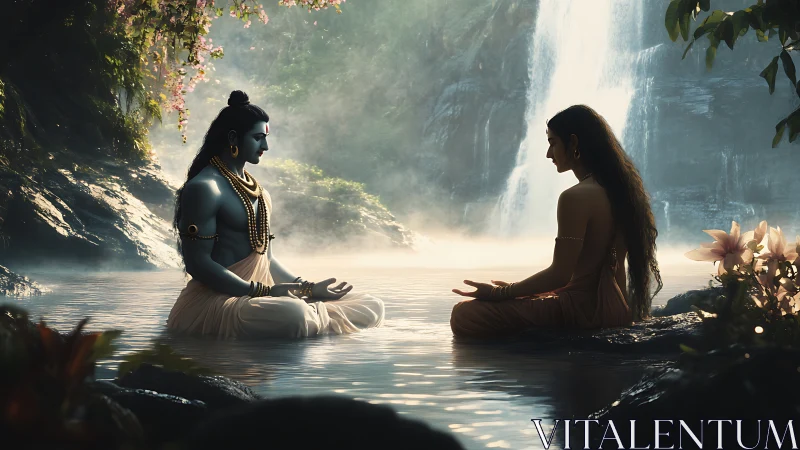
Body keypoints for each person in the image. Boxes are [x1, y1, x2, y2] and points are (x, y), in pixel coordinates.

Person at [167, 90, 384, 339]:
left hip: (263, 298)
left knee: (372, 305)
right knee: (296, 315)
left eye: (266, 138)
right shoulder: (205, 188)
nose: (265, 147)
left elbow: (267, 260)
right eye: (258, 138)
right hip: (219, 301)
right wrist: (265, 292)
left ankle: (311, 320)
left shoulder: (260, 192)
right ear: (233, 138)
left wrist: (309, 289)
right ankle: (310, 321)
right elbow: (198, 264)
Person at [450, 105, 662, 338]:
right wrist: (523, 291)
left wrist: (500, 293)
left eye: (552, 143)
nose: (548, 154)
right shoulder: (624, 193)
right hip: (617, 309)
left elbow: (560, 274)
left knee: (463, 314)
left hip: (580, 312)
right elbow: (588, 276)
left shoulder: (575, 197)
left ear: (574, 143)